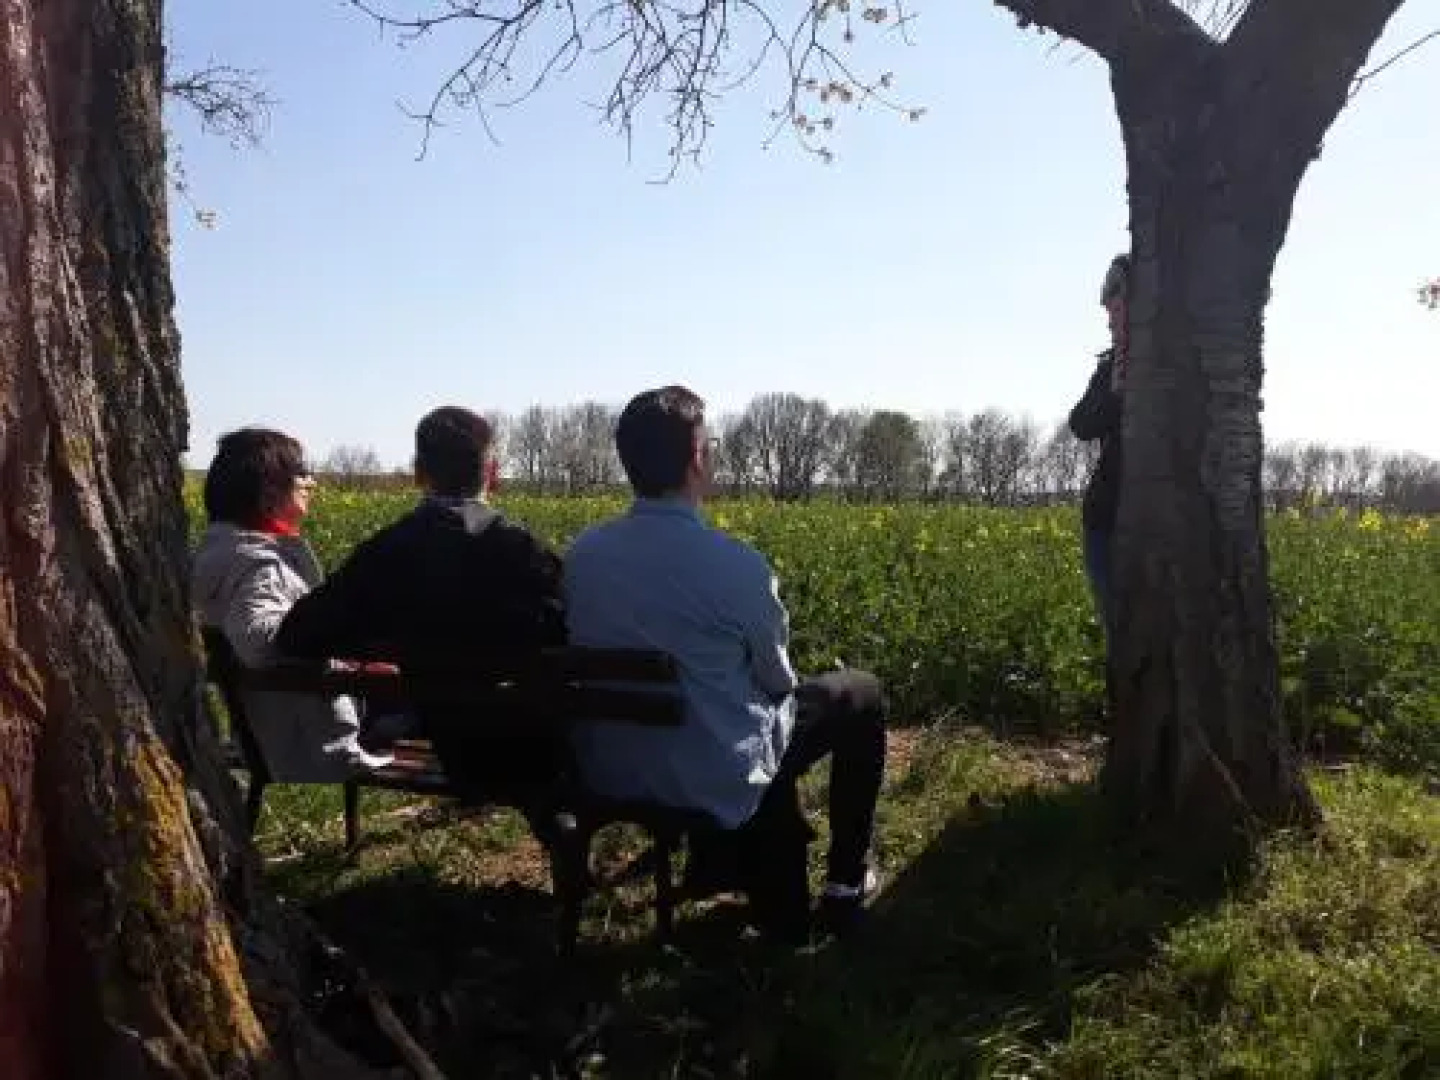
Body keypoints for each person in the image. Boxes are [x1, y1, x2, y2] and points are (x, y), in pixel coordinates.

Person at [564, 386, 888, 940]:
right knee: (859, 694)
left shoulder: (583, 554)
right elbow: (777, 682)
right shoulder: (737, 566)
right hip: (711, 776)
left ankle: (728, 863)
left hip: (610, 767)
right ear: (696, 459)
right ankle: (844, 885)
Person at [274, 407, 569, 811]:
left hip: (450, 746)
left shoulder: (387, 553)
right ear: (493, 473)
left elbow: (298, 635)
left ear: (418, 473)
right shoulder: (524, 555)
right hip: (535, 748)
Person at [193, 428, 393, 781]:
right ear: (270, 494)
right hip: (310, 742)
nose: (310, 481)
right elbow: (258, 640)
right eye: (301, 473)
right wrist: (340, 644)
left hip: (257, 734)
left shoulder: (211, 554)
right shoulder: (261, 565)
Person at [1069, 253, 1130, 647]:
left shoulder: (1177, 363)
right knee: (1120, 634)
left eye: (1117, 310)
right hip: (1105, 522)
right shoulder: (1111, 368)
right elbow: (1081, 423)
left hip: (1155, 521)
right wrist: (1116, 392)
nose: (1109, 321)